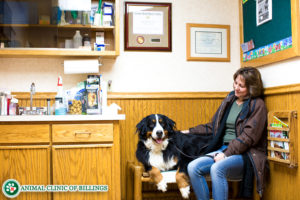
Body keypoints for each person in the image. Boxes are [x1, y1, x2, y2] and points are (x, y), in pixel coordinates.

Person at [182, 67, 268, 200]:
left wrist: (226, 154)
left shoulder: (258, 105)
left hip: (246, 154)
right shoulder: (230, 99)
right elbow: (213, 126)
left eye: (242, 86)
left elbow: (248, 138)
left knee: (217, 168)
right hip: (223, 149)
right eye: (235, 83)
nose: (236, 88)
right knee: (193, 167)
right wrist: (188, 131)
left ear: (252, 88)